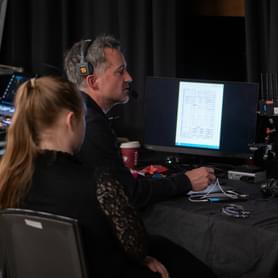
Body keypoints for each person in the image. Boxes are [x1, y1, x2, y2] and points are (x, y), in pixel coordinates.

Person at [0, 76, 217, 278]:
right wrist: (142, 257)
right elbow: (137, 246)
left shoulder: (11, 175)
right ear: (71, 120)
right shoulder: (99, 183)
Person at [64, 34, 216, 209]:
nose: (129, 78)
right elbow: (130, 194)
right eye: (120, 71)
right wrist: (186, 181)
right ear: (93, 81)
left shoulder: (77, 113)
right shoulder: (92, 125)